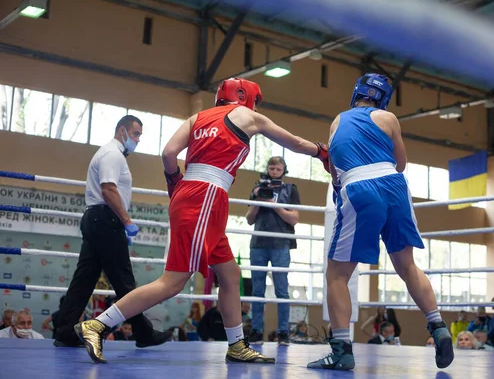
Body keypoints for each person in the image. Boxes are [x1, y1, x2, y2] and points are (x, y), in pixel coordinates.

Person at [74, 77, 330, 364]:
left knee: (230, 276)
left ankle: (236, 345)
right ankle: (98, 324)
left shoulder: (197, 117)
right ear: (247, 96)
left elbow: (169, 153)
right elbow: (293, 142)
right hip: (206, 197)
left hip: (196, 195)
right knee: (173, 281)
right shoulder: (246, 115)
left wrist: (175, 183)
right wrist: (321, 152)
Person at [307, 73, 453, 371]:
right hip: (395, 187)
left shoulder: (338, 120)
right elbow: (400, 164)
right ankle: (437, 326)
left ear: (356, 93)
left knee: (337, 274)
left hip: (360, 188)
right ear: (383, 98)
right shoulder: (389, 119)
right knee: (407, 266)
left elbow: (335, 174)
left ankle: (341, 351)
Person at [53, 115, 171, 349]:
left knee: (84, 279)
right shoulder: (112, 154)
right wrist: (126, 221)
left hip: (98, 219)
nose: (138, 140)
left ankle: (65, 331)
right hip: (105, 218)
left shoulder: (112, 154)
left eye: (140, 135)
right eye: (135, 134)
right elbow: (108, 189)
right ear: (122, 131)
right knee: (124, 280)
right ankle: (143, 333)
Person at [246, 156, 299, 346]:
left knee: (282, 290)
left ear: (283, 171)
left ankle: (283, 332)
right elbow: (250, 219)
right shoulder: (257, 188)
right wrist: (259, 200)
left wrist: (274, 205)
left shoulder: (290, 189)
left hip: (281, 244)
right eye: (271, 168)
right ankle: (256, 331)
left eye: (277, 169)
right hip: (258, 243)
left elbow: (293, 219)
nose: (274, 172)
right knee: (257, 290)